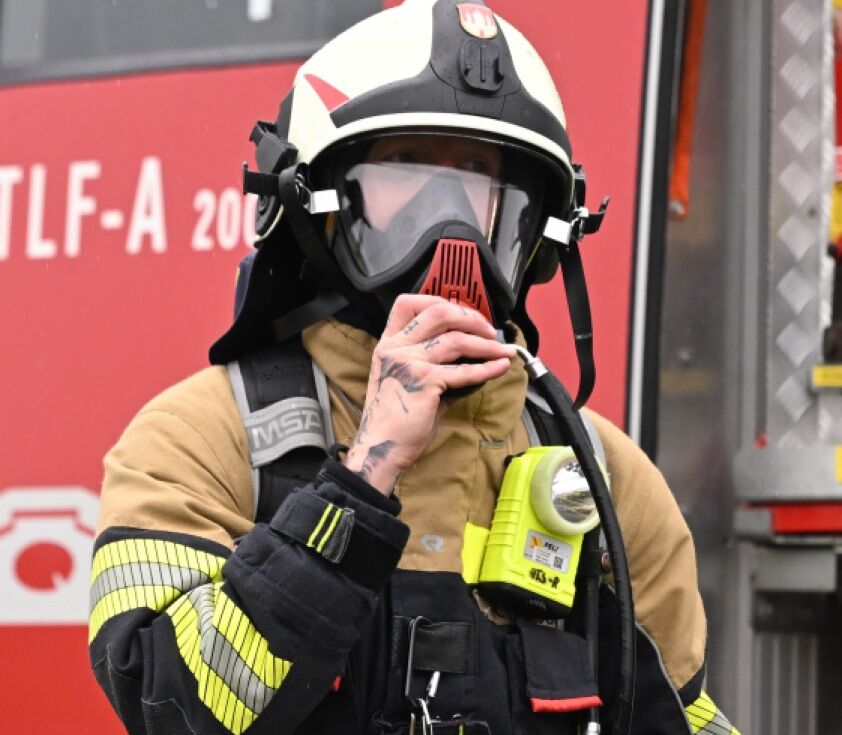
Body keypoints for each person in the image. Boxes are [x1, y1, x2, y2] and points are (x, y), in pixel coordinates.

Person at [88, 1, 739, 733]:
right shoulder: (202, 437)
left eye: (478, 175)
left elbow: (686, 717)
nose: (451, 214)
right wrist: (360, 481)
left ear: (533, 231)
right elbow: (172, 709)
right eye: (405, 165)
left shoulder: (604, 480)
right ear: (316, 204)